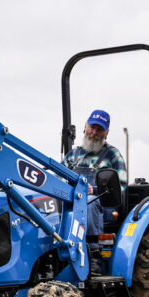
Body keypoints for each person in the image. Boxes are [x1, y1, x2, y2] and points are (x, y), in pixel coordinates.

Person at [62, 109, 127, 275]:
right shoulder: (73, 155)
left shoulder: (112, 155)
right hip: (71, 201)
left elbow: (121, 187)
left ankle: (93, 258)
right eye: (92, 127)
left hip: (103, 205)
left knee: (89, 203)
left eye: (99, 130)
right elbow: (57, 176)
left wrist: (96, 190)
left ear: (106, 133)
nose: (94, 133)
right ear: (85, 127)